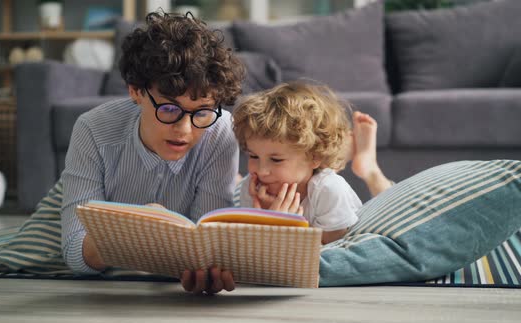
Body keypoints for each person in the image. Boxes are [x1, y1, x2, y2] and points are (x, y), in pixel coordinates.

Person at [60, 11, 245, 295]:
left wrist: (205, 269)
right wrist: (128, 231)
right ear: (135, 91)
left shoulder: (220, 132)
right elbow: (74, 250)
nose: (184, 130)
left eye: (202, 112)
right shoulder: (93, 129)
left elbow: (204, 241)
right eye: (169, 109)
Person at [233, 82, 395, 244]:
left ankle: (369, 167)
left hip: (348, 236)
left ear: (314, 157)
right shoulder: (253, 187)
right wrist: (263, 217)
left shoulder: (329, 190)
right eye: (253, 156)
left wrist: (287, 227)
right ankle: (341, 154)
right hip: (311, 166)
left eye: (276, 159)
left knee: (390, 215)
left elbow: (334, 247)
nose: (261, 171)